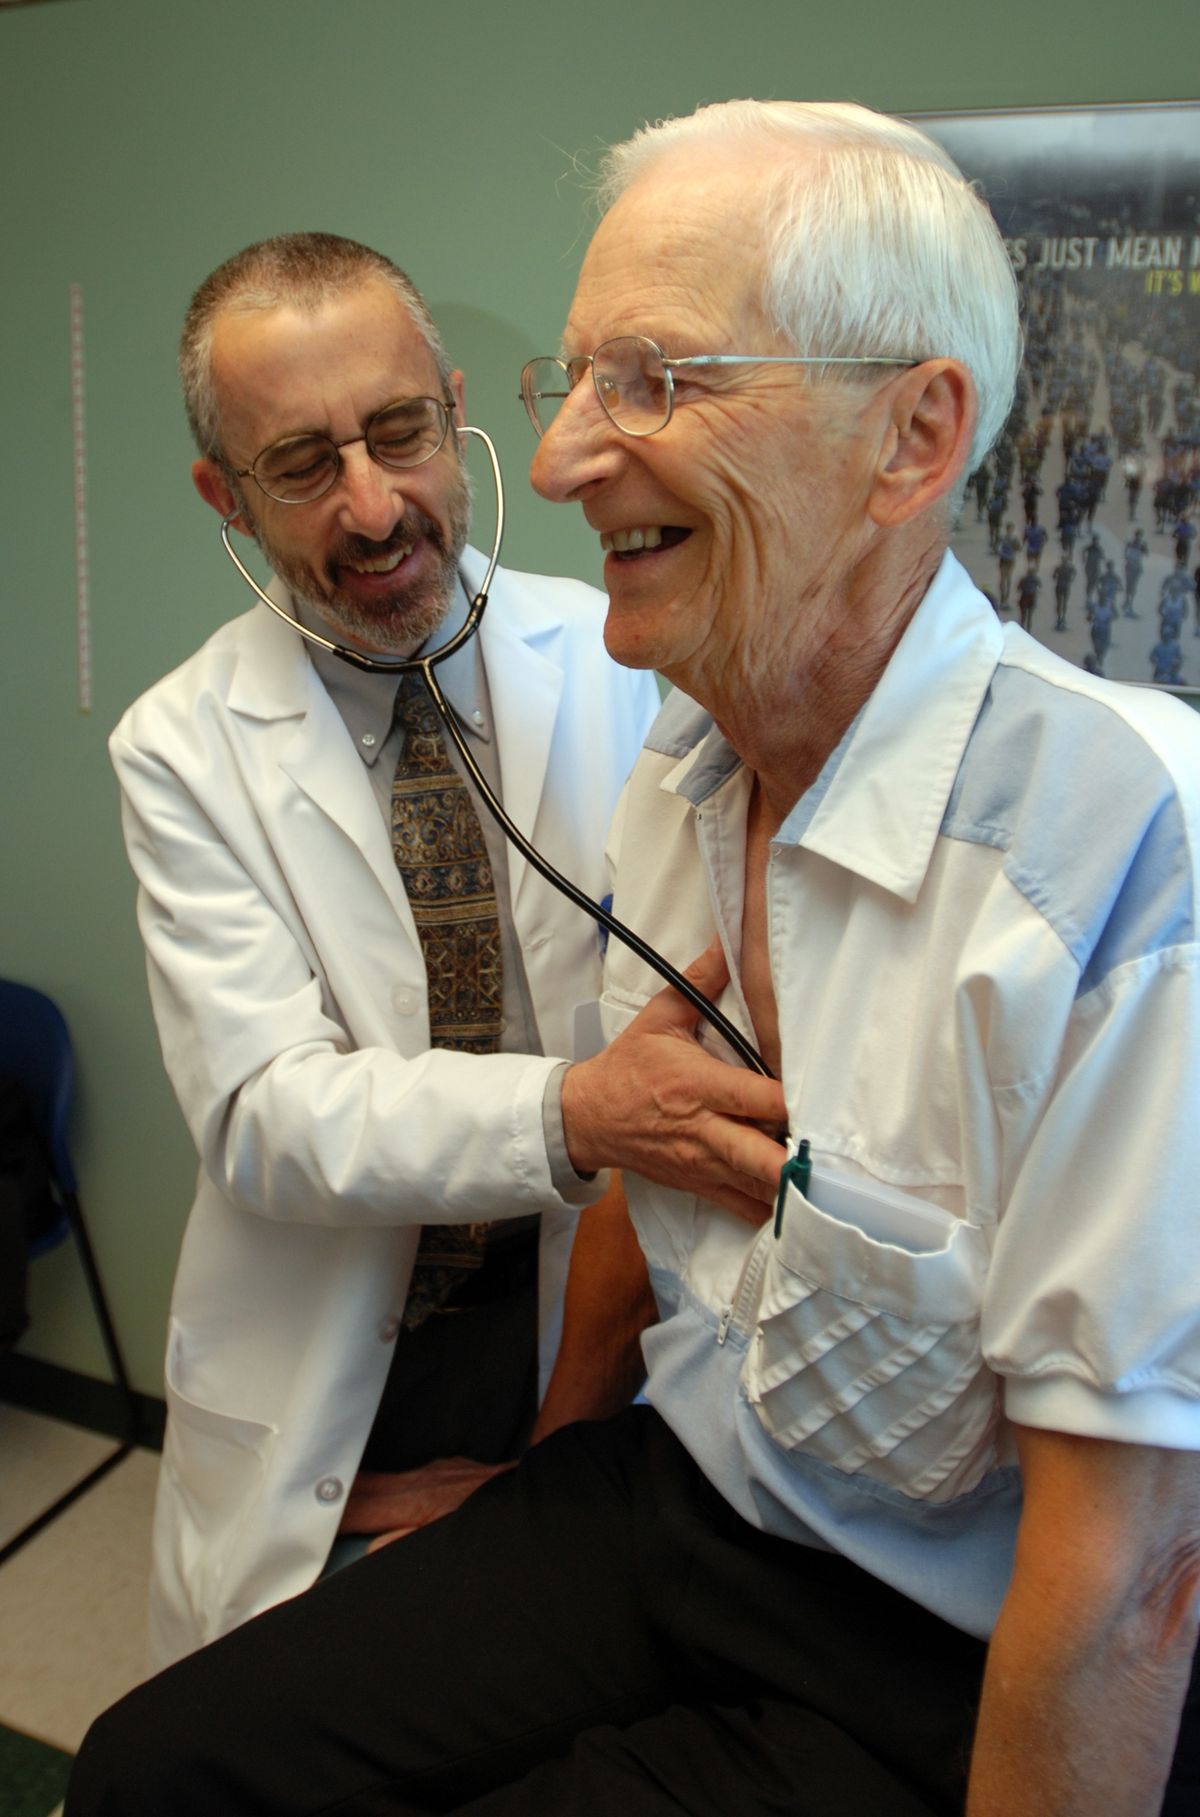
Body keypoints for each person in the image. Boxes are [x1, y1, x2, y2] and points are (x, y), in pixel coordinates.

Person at [69, 103, 1199, 1817]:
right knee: (155, 1765)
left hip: (922, 1633)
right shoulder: (679, 761)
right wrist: (547, 1470)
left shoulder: (1122, 846)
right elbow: (576, 1186)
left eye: (656, 378)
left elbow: (1125, 1569)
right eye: (580, 381)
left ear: (912, 438)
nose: (583, 450)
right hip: (669, 1482)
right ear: (232, 498)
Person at [103, 231, 781, 1673]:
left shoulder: (632, 663)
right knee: (287, 1733)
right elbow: (263, 1114)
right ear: (223, 494)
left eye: (400, 432)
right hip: (336, 1365)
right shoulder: (181, 747)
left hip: (588, 1338)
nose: (374, 505)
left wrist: (569, 1422)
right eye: (300, 465)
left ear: (457, 410)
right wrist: (577, 1109)